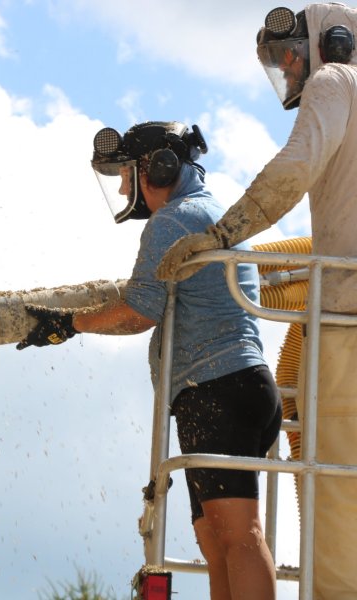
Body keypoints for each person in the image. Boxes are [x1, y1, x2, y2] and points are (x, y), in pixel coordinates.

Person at [17, 121, 281, 600]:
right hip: (224, 388)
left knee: (239, 536)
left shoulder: (174, 221)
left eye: (127, 173)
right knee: (215, 540)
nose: (122, 186)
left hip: (218, 389)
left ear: (158, 168)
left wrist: (69, 324)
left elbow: (140, 311)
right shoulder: (211, 213)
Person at [157, 4, 357, 598]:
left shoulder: (336, 79)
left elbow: (297, 166)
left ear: (333, 42)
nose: (291, 71)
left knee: (338, 498)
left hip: (348, 325)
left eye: (292, 54)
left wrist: (224, 235)